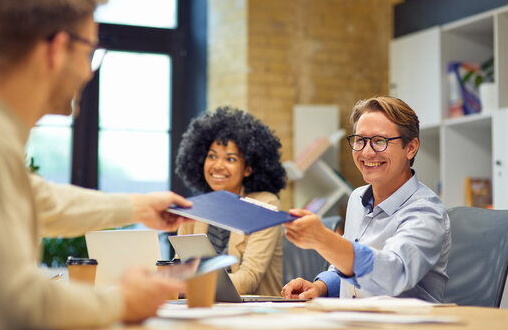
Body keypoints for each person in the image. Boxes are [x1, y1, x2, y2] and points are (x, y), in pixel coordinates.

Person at [0, 0, 193, 329]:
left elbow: (43, 200)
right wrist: (122, 300)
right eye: (90, 51)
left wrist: (139, 206)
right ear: (57, 49)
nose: (89, 72)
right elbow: (15, 305)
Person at [281, 96, 451, 302]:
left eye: (380, 141)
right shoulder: (357, 198)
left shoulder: (426, 211)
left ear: (410, 148)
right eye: (360, 140)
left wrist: (324, 240)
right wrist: (321, 286)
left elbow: (393, 273)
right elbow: (349, 267)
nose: (367, 152)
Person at [174, 107, 287, 295]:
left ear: (248, 168)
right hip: (203, 307)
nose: (218, 165)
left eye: (230, 159)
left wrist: (186, 282)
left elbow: (247, 281)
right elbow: (178, 268)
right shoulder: (194, 209)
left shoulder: (265, 206)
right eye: (211, 156)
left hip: (255, 315)